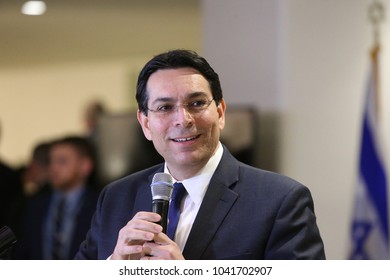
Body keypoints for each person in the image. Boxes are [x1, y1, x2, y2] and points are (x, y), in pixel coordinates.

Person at [75, 49, 326, 260]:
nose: (183, 120)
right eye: (164, 107)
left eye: (196, 103)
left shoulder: (280, 200)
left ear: (221, 112)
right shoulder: (115, 197)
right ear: (145, 124)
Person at [14, 136, 99, 259]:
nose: (53, 168)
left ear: (85, 166)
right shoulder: (34, 205)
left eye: (62, 161)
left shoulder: (101, 205)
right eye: (51, 161)